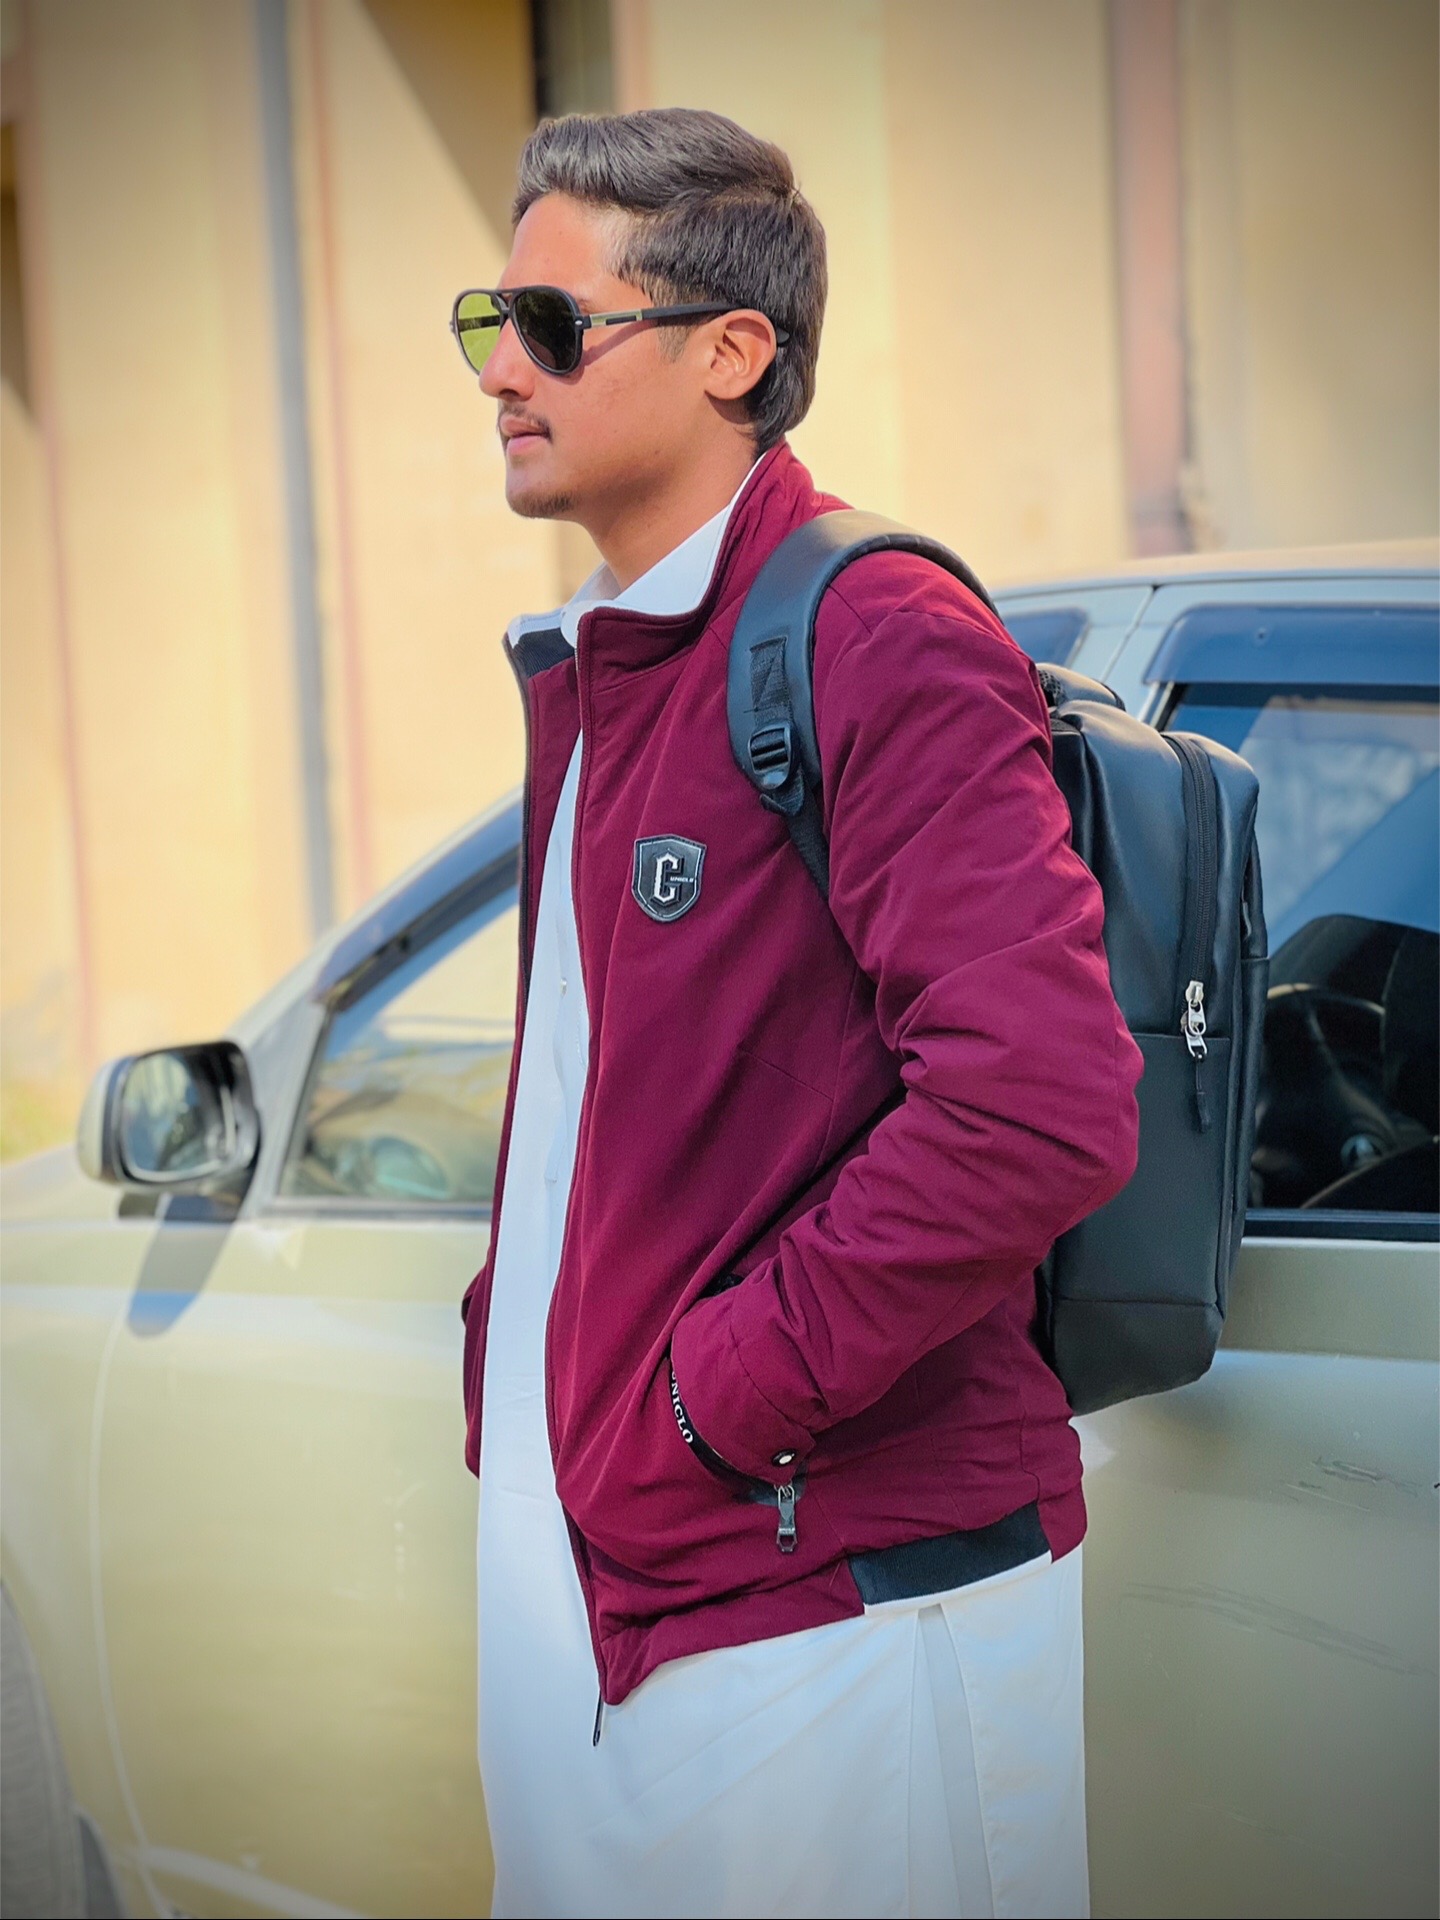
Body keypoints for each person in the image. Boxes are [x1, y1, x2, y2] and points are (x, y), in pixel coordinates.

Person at [455, 107, 1142, 1920]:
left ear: (732, 352)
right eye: (488, 324)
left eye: (550, 326)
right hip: (619, 1599)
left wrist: (708, 1405)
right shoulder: (608, 669)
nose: (500, 373)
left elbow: (1039, 1106)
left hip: (830, 1616)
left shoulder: (872, 630)